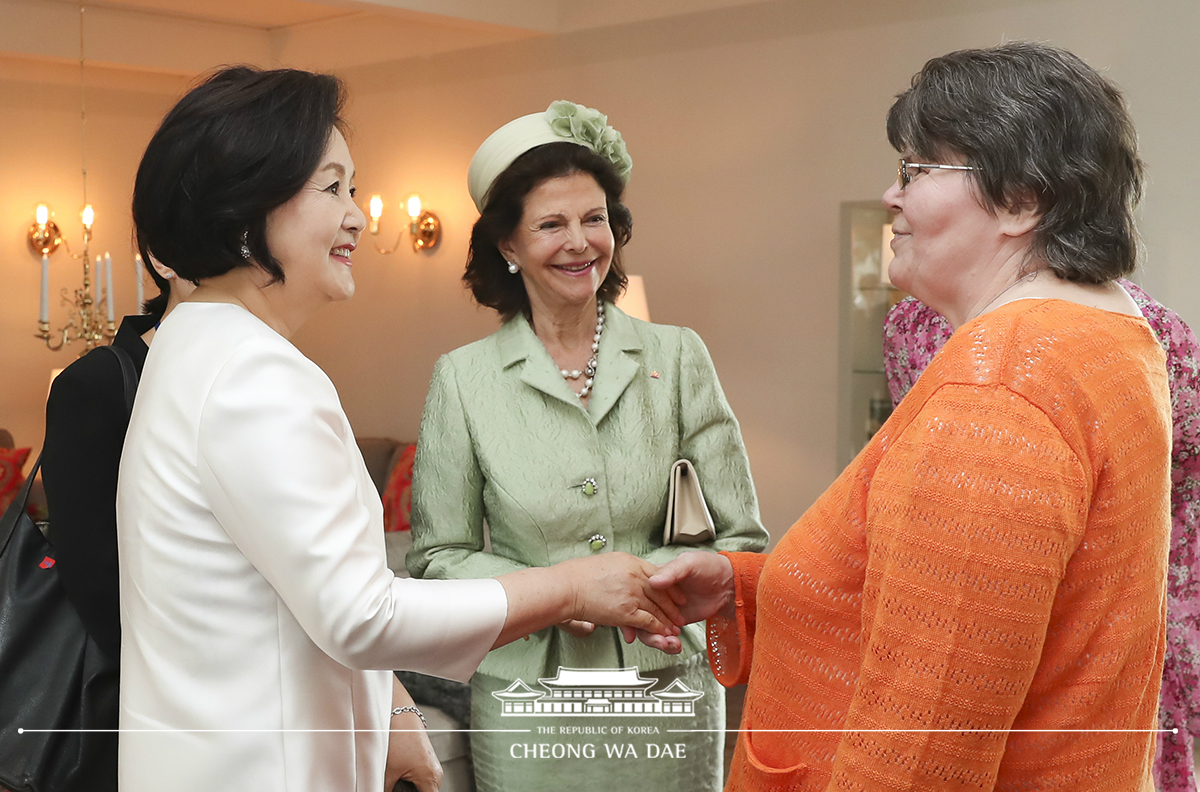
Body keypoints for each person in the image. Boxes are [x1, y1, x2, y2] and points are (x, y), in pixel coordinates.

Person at [116, 67, 682, 792]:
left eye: (353, 189)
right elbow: (360, 613)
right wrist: (568, 587)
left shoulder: (193, 341)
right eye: (331, 189)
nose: (358, 217)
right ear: (246, 210)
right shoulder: (254, 378)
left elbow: (300, 590)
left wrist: (390, 706)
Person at [645, 42, 1172, 791]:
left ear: (1022, 200)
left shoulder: (1001, 394)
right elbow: (994, 611)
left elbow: (921, 756)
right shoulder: (1108, 338)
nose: (890, 196)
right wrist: (751, 587)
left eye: (915, 171)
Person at [406, 100, 768, 792]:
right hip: (530, 707)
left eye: (594, 218)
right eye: (551, 224)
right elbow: (435, 562)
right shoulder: (463, 379)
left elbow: (742, 541)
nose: (580, 242)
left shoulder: (678, 355)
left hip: (668, 691)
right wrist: (561, 593)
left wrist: (641, 583)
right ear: (507, 246)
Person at [883, 288, 1200, 792]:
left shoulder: (1151, 332)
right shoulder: (914, 323)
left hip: (1092, 634)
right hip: (954, 616)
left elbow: (1177, 492)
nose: (892, 203)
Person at [38, 256, 194, 792]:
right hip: (137, 700)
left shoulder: (262, 374)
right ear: (167, 260)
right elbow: (90, 568)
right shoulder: (97, 382)